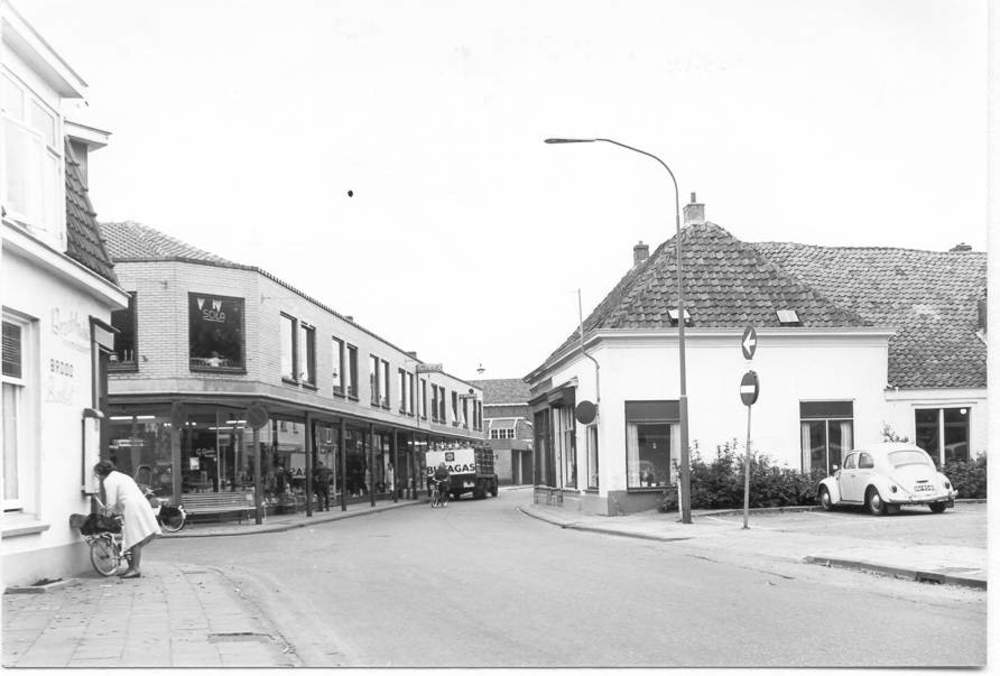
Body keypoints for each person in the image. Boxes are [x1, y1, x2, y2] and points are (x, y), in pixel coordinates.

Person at [93, 460, 161, 579]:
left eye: (97, 474)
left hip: (132, 507)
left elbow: (111, 501)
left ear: (101, 472)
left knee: (134, 538)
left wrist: (107, 514)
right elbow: (123, 495)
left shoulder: (109, 480)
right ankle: (132, 568)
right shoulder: (123, 476)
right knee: (135, 538)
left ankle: (135, 569)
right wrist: (115, 511)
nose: (97, 477)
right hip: (141, 504)